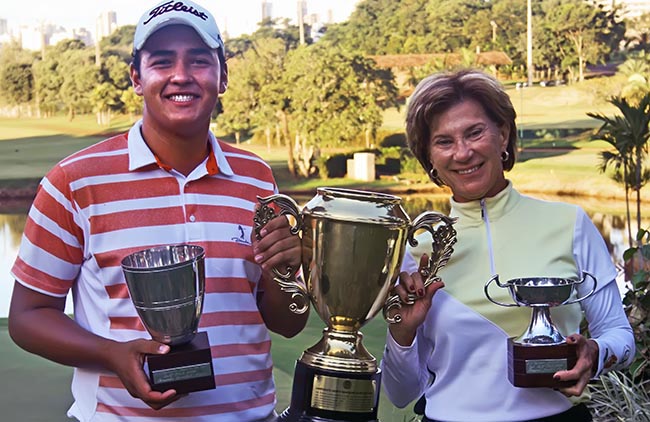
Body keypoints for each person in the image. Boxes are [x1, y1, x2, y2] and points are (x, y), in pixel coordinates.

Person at [8, 1, 307, 420]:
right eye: (162, 61)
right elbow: (27, 316)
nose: (181, 75)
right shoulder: (75, 181)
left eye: (199, 61)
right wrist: (111, 354)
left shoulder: (256, 178)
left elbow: (287, 322)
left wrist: (284, 268)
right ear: (136, 77)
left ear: (222, 77)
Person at [381, 69, 635, 422]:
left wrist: (595, 353)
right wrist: (402, 331)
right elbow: (400, 392)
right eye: (444, 141)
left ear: (503, 134)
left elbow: (620, 335)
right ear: (429, 158)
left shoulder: (570, 223)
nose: (463, 152)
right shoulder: (417, 248)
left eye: (475, 132)